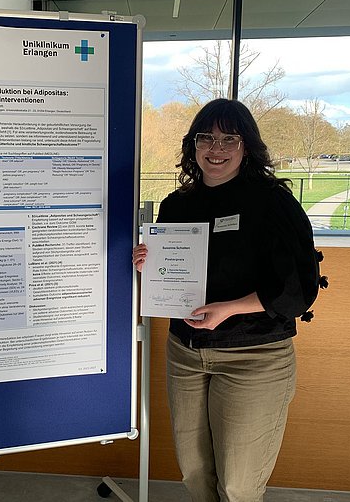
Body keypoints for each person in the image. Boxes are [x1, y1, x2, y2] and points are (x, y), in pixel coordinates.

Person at [132, 98, 322, 502]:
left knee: (237, 485)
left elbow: (299, 289)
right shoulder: (177, 205)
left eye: (228, 139)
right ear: (193, 145)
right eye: (206, 138)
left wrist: (231, 309)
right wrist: (148, 262)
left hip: (254, 358)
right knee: (195, 473)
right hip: (186, 354)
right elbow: (171, 275)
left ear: (246, 146)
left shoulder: (273, 202)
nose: (216, 148)